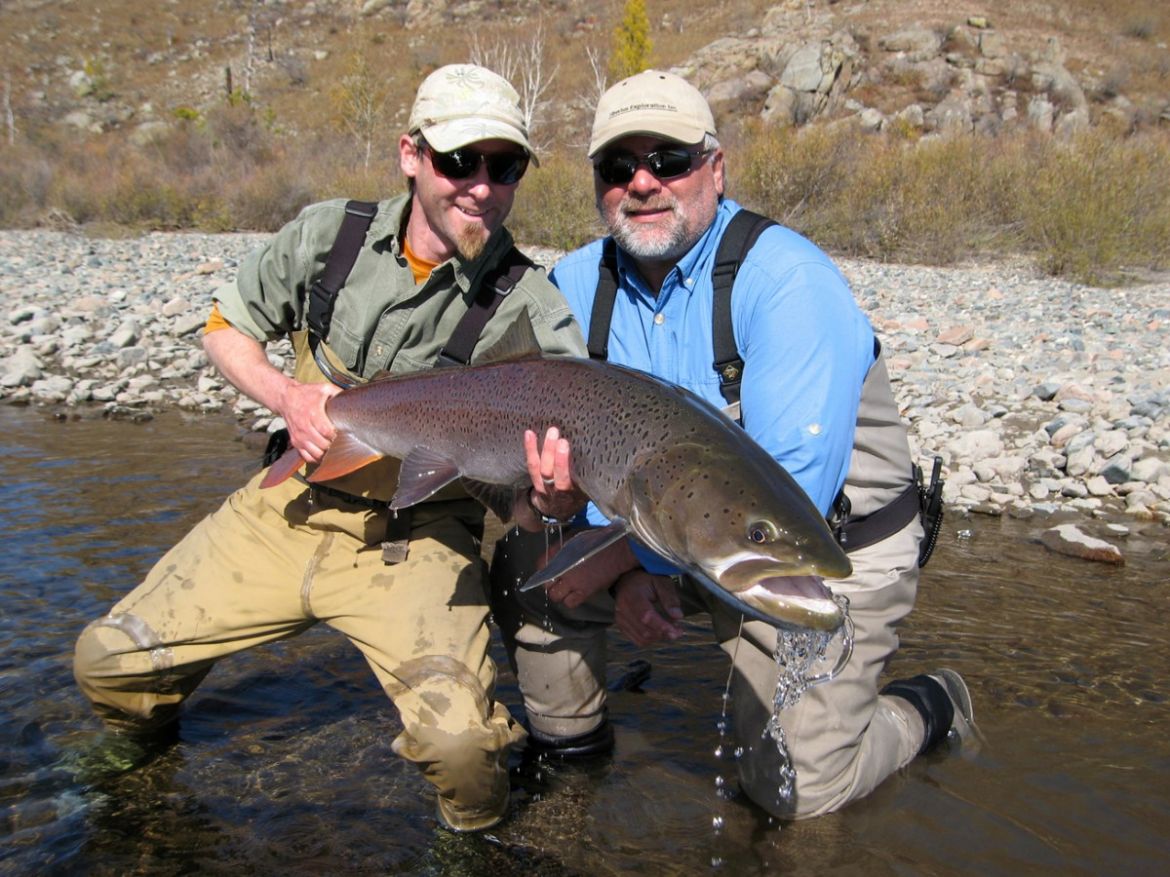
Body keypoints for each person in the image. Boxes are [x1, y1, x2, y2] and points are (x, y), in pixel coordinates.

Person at [73, 63, 588, 833]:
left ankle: (467, 849)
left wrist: (551, 502)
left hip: (414, 539)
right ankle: (137, 779)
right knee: (107, 663)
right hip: (286, 504)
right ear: (410, 154)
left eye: (504, 167)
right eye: (458, 162)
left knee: (465, 754)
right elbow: (228, 328)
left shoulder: (532, 310)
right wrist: (286, 395)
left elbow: (522, 506)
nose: (481, 186)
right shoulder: (331, 236)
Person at [489, 69, 975, 820]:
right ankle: (571, 757)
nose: (644, 183)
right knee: (527, 556)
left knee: (798, 793)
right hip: (675, 527)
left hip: (812, 551)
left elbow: (794, 494)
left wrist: (625, 560)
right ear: (598, 185)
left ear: (715, 168)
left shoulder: (786, 280)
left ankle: (927, 707)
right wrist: (621, 573)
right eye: (620, 167)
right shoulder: (574, 285)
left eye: (671, 160)